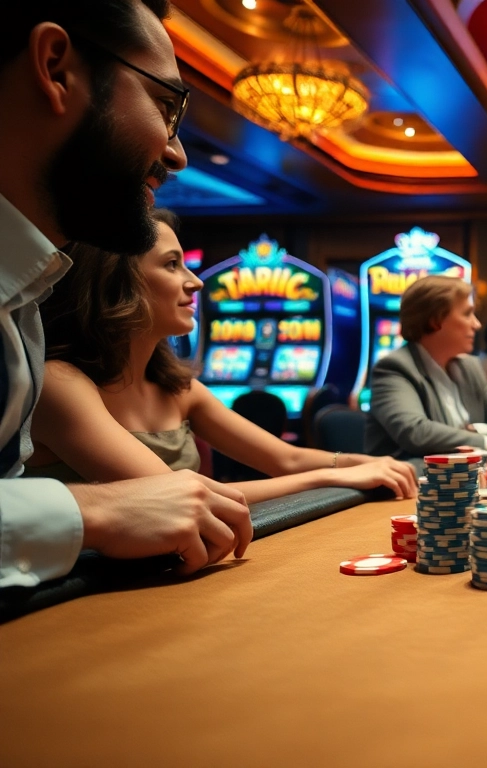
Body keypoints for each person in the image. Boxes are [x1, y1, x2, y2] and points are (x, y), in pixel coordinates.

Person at [0, 1, 254, 588]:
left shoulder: (24, 305)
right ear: (55, 67)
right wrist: (93, 510)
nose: (177, 153)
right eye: (166, 105)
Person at [27, 210, 418, 502]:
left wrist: (366, 463)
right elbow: (183, 495)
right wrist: (331, 478)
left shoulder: (179, 388)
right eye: (171, 264)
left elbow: (288, 459)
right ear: (117, 282)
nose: (195, 281)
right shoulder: (60, 384)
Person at [365, 276, 487, 463]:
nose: (477, 324)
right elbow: (416, 432)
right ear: (436, 321)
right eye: (467, 314)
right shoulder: (394, 368)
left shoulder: (469, 367)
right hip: (407, 488)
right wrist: (486, 443)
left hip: (461, 485)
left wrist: (474, 431)